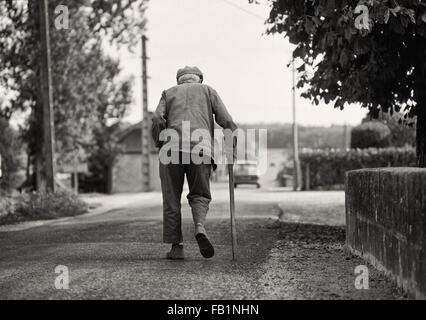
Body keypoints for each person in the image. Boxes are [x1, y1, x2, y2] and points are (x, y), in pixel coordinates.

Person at [152, 66, 237, 260]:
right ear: (199, 79)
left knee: (172, 197)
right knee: (200, 194)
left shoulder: (168, 92)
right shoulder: (208, 91)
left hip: (171, 150)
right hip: (201, 150)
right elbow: (228, 121)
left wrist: (159, 141)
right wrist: (230, 149)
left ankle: (177, 247)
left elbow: (157, 118)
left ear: (179, 80)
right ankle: (199, 226)